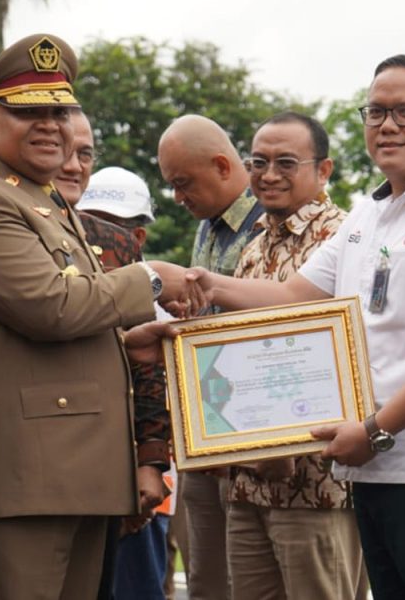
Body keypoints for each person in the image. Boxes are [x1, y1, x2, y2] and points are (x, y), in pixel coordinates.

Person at [191, 54, 405, 600]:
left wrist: (377, 429)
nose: (387, 125)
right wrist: (197, 283)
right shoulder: (368, 215)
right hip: (371, 470)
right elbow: (290, 298)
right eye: (376, 111)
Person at [0, 33, 197, 599]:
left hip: (74, 477)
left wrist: (125, 347)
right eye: (29, 112)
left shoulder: (45, 200)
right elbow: (49, 307)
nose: (50, 124)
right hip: (18, 481)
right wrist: (151, 277)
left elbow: (52, 328)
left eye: (58, 109)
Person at [223, 111, 367, 599]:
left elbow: (349, 353)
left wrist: (286, 447)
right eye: (257, 162)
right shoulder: (252, 250)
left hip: (317, 485)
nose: (268, 175)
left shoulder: (346, 238)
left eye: (286, 162)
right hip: (248, 481)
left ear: (323, 170)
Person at [157, 114, 264, 600]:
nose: (178, 197)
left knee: (248, 578)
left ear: (222, 166)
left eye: (183, 183)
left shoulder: (271, 219)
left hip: (254, 430)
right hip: (207, 425)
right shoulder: (209, 225)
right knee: (205, 577)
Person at [79, 165, 175, 600]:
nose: (98, 237)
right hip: (80, 484)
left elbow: (153, 389)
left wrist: (149, 468)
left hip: (142, 495)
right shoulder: (70, 293)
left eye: (113, 227)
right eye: (89, 222)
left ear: (137, 239)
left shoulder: (157, 311)